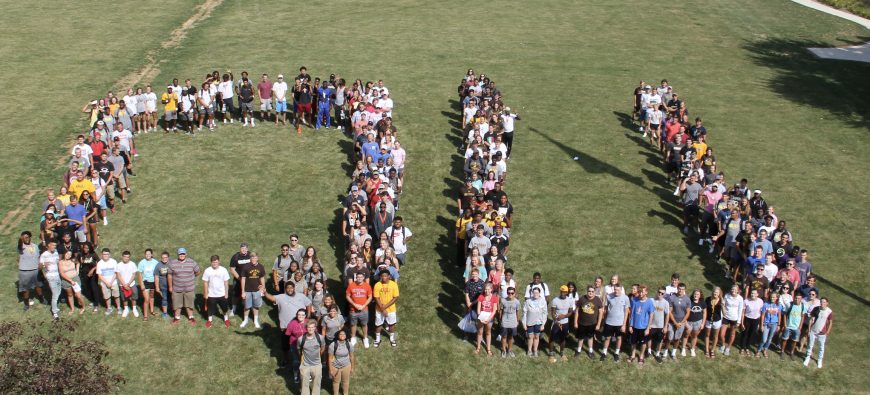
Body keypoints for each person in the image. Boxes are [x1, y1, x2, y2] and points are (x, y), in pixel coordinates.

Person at [264, 282, 313, 369]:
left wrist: (308, 316)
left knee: (303, 345)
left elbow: (308, 304)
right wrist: (265, 293)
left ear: (294, 288)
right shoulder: (281, 297)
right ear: (285, 289)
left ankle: (304, 361)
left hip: (300, 326)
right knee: (285, 345)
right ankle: (285, 359)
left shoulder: (301, 296)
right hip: (286, 327)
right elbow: (271, 298)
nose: (290, 289)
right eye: (288, 288)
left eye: (291, 287)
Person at [168, 247, 199, 325]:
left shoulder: (192, 262)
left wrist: (190, 278)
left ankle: (191, 317)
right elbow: (169, 275)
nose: (181, 255)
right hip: (177, 288)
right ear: (178, 254)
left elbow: (197, 272)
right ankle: (177, 318)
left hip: (189, 288)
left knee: (189, 304)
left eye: (183, 253)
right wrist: (170, 287)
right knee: (177, 304)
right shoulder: (172, 263)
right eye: (180, 254)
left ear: (186, 254)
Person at [600, 284, 630, 362]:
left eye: (618, 290)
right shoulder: (609, 296)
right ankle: (604, 352)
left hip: (619, 323)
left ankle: (616, 353)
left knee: (619, 338)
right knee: (607, 338)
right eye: (615, 289)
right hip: (609, 322)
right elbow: (606, 310)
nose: (616, 291)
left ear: (621, 290)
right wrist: (604, 322)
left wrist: (624, 324)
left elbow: (626, 312)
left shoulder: (625, 298)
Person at [573, 285, 604, 359]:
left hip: (592, 323)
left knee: (590, 337)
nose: (590, 293)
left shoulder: (597, 300)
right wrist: (575, 322)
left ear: (594, 292)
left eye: (592, 291)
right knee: (580, 338)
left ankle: (590, 351)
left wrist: (598, 324)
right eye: (589, 291)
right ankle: (579, 350)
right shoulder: (582, 299)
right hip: (581, 322)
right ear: (587, 291)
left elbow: (601, 312)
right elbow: (577, 311)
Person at [628, 285, 655, 366]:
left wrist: (648, 328)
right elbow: (632, 314)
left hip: (643, 327)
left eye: (642, 292)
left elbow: (651, 315)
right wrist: (630, 325)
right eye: (639, 292)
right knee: (633, 342)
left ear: (646, 292)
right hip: (634, 326)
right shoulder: (635, 300)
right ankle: (633, 355)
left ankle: (641, 356)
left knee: (643, 343)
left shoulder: (649, 302)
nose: (640, 293)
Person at [803, 297, 833, 369]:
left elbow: (830, 323)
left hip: (822, 333)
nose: (822, 303)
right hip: (813, 331)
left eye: (824, 302)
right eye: (821, 302)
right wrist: (809, 329)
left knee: (821, 347)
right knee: (810, 345)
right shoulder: (816, 309)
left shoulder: (829, 312)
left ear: (827, 303)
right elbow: (811, 319)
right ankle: (807, 358)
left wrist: (827, 332)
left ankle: (819, 360)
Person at [345, 271, 372, 349]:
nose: (359, 278)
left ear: (363, 278)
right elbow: (347, 296)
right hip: (353, 309)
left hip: (364, 309)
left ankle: (365, 338)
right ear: (356, 278)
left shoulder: (367, 286)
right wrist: (354, 304)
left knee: (364, 324)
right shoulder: (351, 285)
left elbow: (370, 297)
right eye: (358, 277)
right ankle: (353, 337)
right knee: (353, 324)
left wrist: (364, 305)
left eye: (361, 277)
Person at [202, 255, 231, 329]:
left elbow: (226, 282)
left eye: (216, 262)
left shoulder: (223, 270)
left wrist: (226, 293)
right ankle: (209, 320)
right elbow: (205, 282)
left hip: (222, 294)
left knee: (224, 308)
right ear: (211, 262)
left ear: (219, 262)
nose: (214, 264)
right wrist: (206, 294)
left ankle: (226, 319)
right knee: (210, 309)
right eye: (213, 262)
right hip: (211, 294)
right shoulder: (207, 270)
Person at [298, 319, 325, 395]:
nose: (310, 329)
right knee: (304, 384)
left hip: (317, 364)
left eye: (312, 327)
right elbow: (299, 351)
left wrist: (318, 356)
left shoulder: (320, 338)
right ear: (306, 328)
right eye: (309, 327)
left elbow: (323, 348)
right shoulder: (300, 339)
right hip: (305, 365)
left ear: (315, 328)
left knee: (317, 384)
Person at [17, 231, 43, 311]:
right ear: (22, 239)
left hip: (35, 270)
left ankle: (41, 298)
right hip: (25, 271)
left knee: (38, 286)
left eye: (27, 237)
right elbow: (19, 245)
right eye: (24, 238)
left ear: (30, 237)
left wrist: (40, 264)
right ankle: (26, 304)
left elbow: (38, 256)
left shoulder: (35, 246)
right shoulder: (21, 246)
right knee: (26, 289)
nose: (26, 239)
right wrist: (20, 239)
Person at [239, 252, 266, 329]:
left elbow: (262, 278)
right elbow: (243, 279)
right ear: (250, 259)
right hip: (247, 290)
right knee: (247, 306)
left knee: (256, 306)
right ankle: (245, 320)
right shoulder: (246, 267)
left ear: (258, 258)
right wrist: (243, 291)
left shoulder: (261, 267)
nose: (253, 259)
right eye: (252, 258)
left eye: (255, 257)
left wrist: (263, 288)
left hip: (257, 290)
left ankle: (255, 320)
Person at [373, 270, 399, 347]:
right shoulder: (377, 285)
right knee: (378, 324)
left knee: (391, 324)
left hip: (391, 309)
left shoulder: (394, 284)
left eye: (385, 276)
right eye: (382, 276)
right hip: (379, 309)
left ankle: (392, 338)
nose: (383, 277)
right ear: (380, 277)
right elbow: (376, 297)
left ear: (389, 276)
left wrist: (385, 307)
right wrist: (383, 309)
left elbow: (396, 297)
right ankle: (377, 339)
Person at [58, 250, 86, 315]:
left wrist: (77, 271)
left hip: (75, 279)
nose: (69, 255)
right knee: (70, 295)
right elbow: (62, 274)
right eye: (67, 254)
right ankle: (72, 309)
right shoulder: (60, 262)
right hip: (65, 280)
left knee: (78, 295)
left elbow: (78, 263)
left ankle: (83, 307)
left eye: (70, 255)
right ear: (64, 254)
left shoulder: (72, 260)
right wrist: (70, 280)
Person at [667, 283, 691, 358]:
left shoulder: (687, 299)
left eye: (682, 289)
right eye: (679, 289)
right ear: (677, 289)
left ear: (685, 290)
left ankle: (673, 352)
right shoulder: (672, 297)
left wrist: (681, 322)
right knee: (669, 337)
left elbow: (688, 313)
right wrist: (675, 322)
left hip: (681, 322)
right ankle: (665, 351)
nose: (680, 290)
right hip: (672, 322)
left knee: (677, 338)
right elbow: (669, 311)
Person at [328, 327, 355, 395]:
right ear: (338, 335)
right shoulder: (333, 345)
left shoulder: (349, 344)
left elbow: (352, 356)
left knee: (345, 381)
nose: (342, 336)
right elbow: (330, 358)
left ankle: (345, 393)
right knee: (336, 382)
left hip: (346, 366)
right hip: (335, 367)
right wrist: (330, 369)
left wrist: (352, 368)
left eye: (344, 334)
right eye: (340, 334)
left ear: (346, 336)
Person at [522, 287, 547, 357]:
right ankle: (529, 350)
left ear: (539, 293)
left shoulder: (543, 301)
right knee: (530, 337)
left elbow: (545, 313)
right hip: (529, 322)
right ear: (532, 293)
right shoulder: (528, 301)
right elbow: (524, 313)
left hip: (538, 323)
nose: (535, 294)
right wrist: (524, 324)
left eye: (537, 293)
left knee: (536, 337)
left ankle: (535, 350)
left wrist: (543, 324)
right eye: (534, 292)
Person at [780, 292, 806, 360]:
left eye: (798, 298)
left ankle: (792, 352)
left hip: (796, 327)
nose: (797, 300)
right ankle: (782, 351)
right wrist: (785, 324)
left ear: (801, 299)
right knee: (785, 339)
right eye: (796, 298)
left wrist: (800, 326)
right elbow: (785, 314)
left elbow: (803, 316)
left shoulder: (803, 306)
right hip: (788, 326)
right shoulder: (789, 304)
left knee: (794, 340)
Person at [475, 282, 499, 356]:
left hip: (489, 318)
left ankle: (488, 349)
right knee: (480, 332)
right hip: (481, 316)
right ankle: (478, 347)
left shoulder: (494, 298)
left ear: (491, 290)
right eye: (485, 289)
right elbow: (478, 309)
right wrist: (480, 317)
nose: (486, 291)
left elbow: (494, 310)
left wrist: (489, 319)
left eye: (488, 289)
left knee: (488, 332)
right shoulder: (481, 296)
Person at [229, 242, 252, 316]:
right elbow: (232, 269)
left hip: (249, 280)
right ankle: (233, 309)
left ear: (247, 249)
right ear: (240, 249)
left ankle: (248, 308)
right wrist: (239, 278)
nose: (244, 250)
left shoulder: (250, 255)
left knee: (249, 294)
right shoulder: (235, 257)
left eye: (245, 248)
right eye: (242, 248)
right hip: (238, 279)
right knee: (236, 295)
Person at [720, 284, 744, 356]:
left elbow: (740, 310)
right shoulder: (727, 296)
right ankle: (723, 345)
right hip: (725, 317)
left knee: (732, 334)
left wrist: (739, 321)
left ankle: (728, 348)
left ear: (738, 291)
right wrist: (722, 315)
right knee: (721, 334)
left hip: (735, 319)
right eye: (732, 289)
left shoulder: (740, 298)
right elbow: (723, 305)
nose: (733, 291)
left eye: (735, 290)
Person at [96, 248, 121, 316]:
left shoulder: (113, 261)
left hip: (114, 282)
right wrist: (106, 283)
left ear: (109, 255)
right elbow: (99, 275)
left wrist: (111, 282)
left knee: (116, 296)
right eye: (104, 254)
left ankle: (118, 307)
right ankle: (109, 308)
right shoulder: (99, 263)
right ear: (102, 255)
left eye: (107, 254)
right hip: (104, 283)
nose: (105, 255)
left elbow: (116, 273)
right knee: (106, 297)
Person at [649, 287, 671, 363]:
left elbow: (667, 315)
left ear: (664, 294)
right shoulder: (651, 300)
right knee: (649, 338)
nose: (660, 294)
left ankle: (657, 354)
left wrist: (665, 326)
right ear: (657, 291)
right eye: (659, 292)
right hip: (651, 325)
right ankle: (648, 351)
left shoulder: (666, 303)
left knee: (660, 340)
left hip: (660, 325)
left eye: (662, 293)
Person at [739, 288, 764, 356]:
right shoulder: (746, 301)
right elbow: (743, 313)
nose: (752, 294)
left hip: (756, 320)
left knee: (751, 334)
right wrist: (742, 323)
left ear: (757, 294)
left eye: (754, 293)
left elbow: (761, 312)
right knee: (744, 334)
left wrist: (759, 323)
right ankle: (742, 347)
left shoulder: (760, 301)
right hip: (747, 319)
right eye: (752, 293)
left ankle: (747, 347)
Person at [498, 286, 521, 358]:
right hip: (505, 321)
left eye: (512, 293)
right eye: (509, 293)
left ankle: (510, 350)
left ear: (514, 293)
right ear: (507, 293)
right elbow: (501, 311)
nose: (510, 294)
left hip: (513, 321)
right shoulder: (503, 300)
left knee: (511, 337)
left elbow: (518, 312)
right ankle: (504, 350)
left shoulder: (517, 302)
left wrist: (517, 321)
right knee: (504, 336)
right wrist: (500, 320)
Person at [116, 251, 140, 318]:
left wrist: (128, 283)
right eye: (125, 257)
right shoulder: (118, 265)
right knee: (124, 298)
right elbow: (118, 275)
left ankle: (134, 309)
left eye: (128, 257)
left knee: (134, 296)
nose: (126, 258)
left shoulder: (132, 264)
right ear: (122, 256)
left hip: (131, 284)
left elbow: (134, 274)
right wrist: (124, 285)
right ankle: (126, 309)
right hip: (122, 285)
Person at [137, 249, 159, 320]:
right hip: (145, 282)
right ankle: (145, 316)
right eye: (146, 254)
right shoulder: (142, 262)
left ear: (152, 254)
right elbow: (139, 274)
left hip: (153, 282)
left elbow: (158, 272)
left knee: (152, 296)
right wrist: (141, 284)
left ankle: (152, 311)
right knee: (146, 299)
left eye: (149, 254)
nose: (148, 255)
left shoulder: (155, 262)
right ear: (144, 255)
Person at [758, 293, 782, 357]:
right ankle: (759, 350)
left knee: (770, 339)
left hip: (774, 324)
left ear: (777, 298)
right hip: (766, 323)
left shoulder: (779, 305)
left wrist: (779, 325)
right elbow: (762, 315)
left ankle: (765, 349)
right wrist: (761, 325)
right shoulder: (766, 304)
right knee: (764, 339)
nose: (772, 298)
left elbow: (779, 315)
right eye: (771, 297)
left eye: (774, 297)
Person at [685, 289, 707, 357]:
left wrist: (703, 323)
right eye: (695, 294)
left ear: (700, 295)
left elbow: (704, 313)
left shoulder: (702, 302)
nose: (696, 295)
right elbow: (685, 312)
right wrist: (685, 322)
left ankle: (692, 349)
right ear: (693, 294)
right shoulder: (689, 301)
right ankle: (683, 348)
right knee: (686, 335)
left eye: (697, 294)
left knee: (694, 336)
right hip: (689, 321)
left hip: (698, 322)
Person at [153, 251, 172, 318]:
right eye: (163, 257)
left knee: (172, 298)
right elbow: (156, 276)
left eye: (166, 257)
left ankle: (172, 310)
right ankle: (165, 313)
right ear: (161, 258)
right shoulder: (158, 265)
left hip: (172, 285)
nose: (164, 259)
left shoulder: (172, 263)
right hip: (163, 286)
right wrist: (157, 287)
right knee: (164, 298)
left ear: (168, 258)